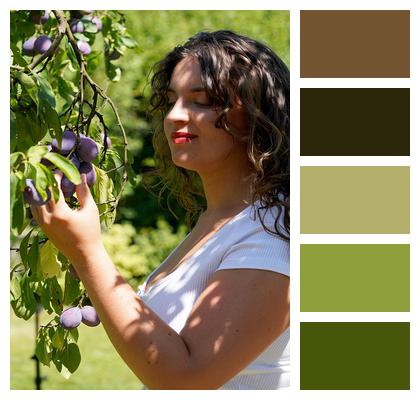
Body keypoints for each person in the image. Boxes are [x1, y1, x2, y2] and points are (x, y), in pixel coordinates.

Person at [30, 30, 290, 390]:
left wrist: (86, 251)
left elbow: (186, 379)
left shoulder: (271, 237)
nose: (175, 116)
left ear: (257, 114)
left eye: (202, 101)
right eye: (171, 100)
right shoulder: (221, 221)